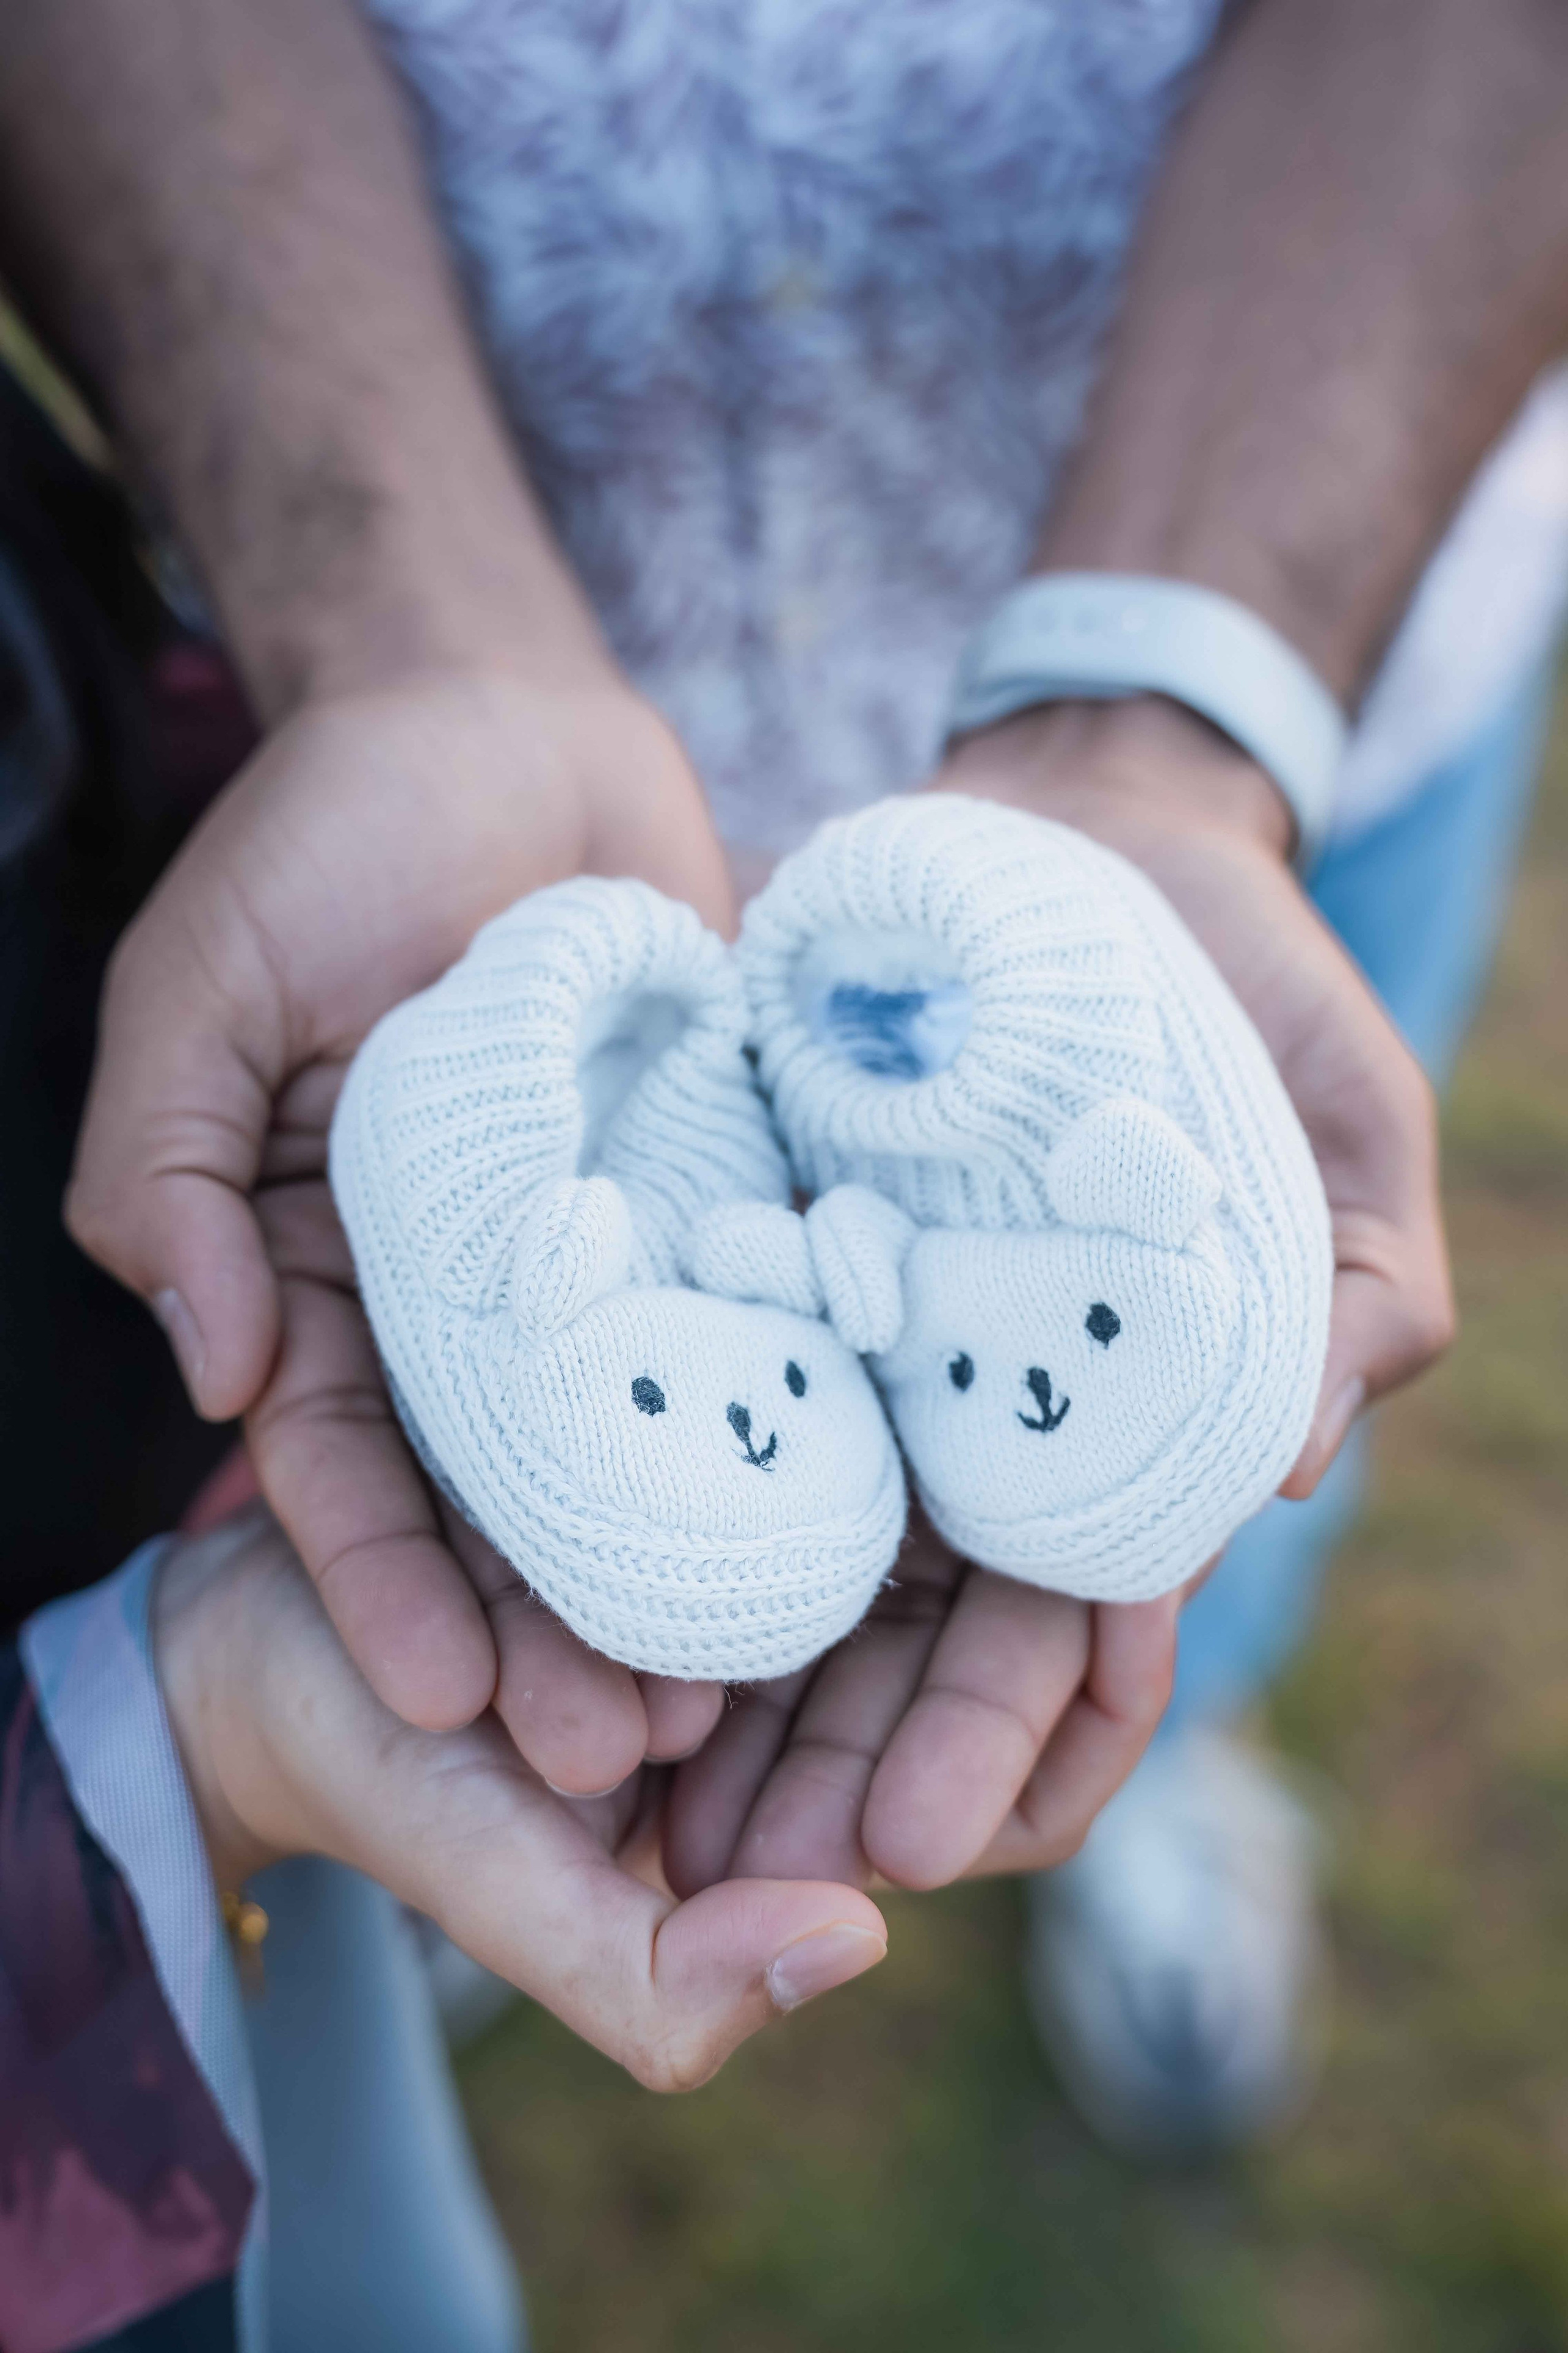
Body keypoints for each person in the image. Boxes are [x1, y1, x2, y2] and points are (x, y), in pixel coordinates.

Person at [2, 0, 1567, 2336]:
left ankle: (1182, 1760)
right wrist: (410, 636)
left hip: (1293, 627)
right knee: (1063, 1494)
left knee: (1223, 1498)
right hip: (418, 617)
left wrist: (1177, 694)